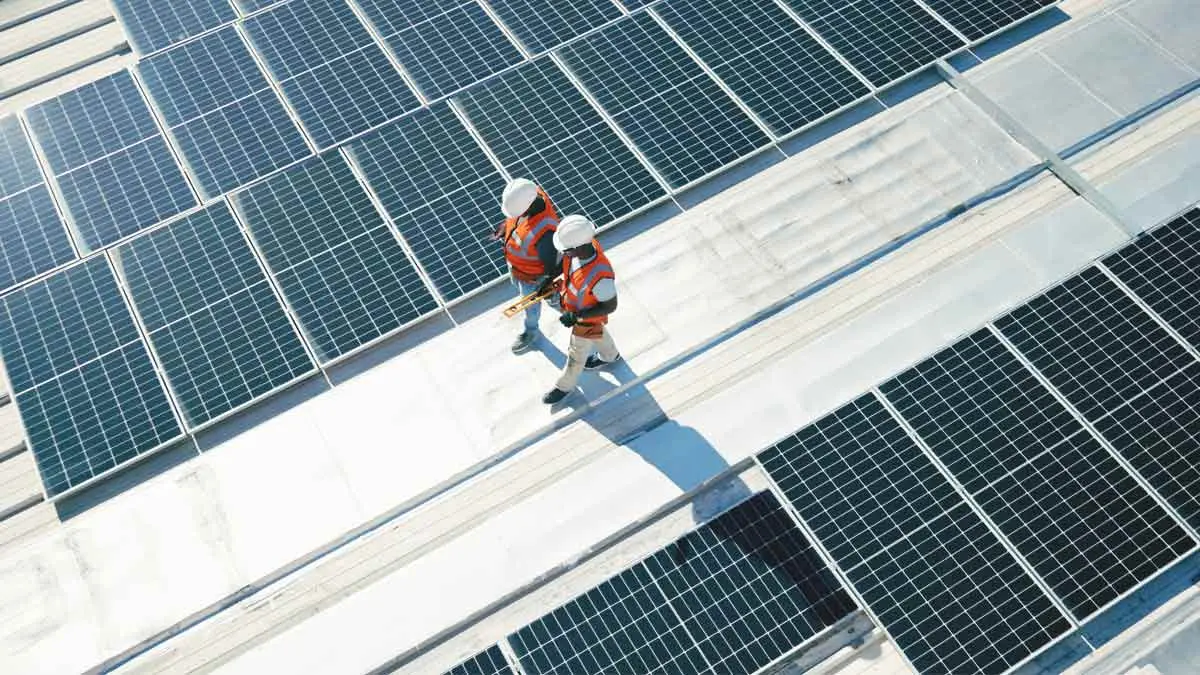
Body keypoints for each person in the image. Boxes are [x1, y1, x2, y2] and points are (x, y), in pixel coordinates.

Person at [543, 215, 621, 405]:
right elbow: (566, 265)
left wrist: (576, 316)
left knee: (576, 354)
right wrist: (550, 278)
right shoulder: (582, 247)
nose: (564, 254)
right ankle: (611, 355)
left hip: (585, 317)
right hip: (580, 312)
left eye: (566, 251)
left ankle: (564, 386)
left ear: (577, 248)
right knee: (598, 333)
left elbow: (610, 306)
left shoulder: (600, 277)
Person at [499, 178, 560, 353]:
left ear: (527, 207)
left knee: (532, 308)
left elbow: (553, 266)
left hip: (533, 280)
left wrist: (545, 286)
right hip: (518, 269)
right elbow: (517, 221)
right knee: (529, 302)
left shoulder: (545, 232)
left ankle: (531, 332)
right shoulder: (527, 194)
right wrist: (506, 228)